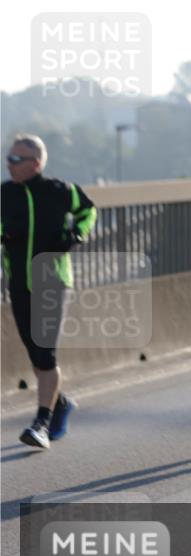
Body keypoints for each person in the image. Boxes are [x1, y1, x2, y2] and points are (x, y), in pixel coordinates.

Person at [1, 134, 96, 449]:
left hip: (52, 281)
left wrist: (76, 235)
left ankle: (41, 423)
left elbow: (88, 211)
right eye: (8, 157)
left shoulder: (60, 191)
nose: (9, 163)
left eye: (16, 159)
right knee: (35, 354)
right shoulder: (4, 194)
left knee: (46, 351)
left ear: (36, 163)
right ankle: (61, 403)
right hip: (19, 282)